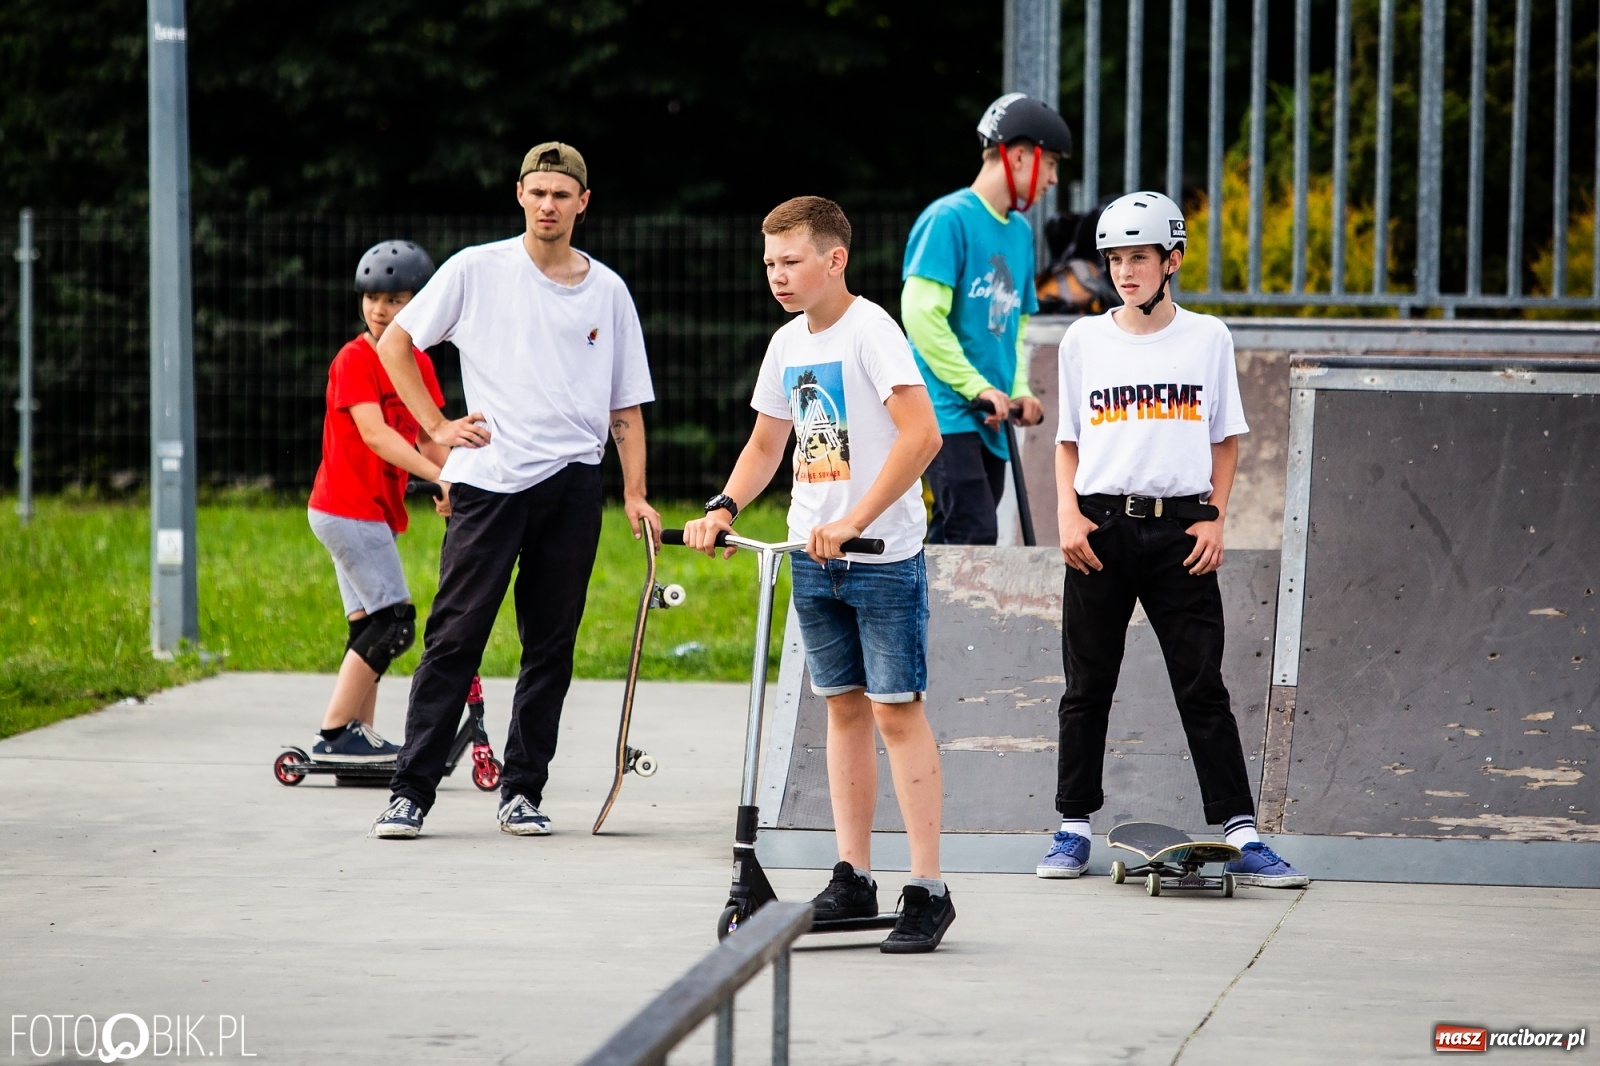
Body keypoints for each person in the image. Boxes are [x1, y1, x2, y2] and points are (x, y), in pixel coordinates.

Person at [684, 196, 953, 953]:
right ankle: (853, 875)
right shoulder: (787, 344)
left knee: (896, 711)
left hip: (879, 557)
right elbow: (770, 443)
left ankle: (928, 887)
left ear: (834, 260)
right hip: (812, 557)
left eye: (791, 260)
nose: (777, 275)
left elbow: (922, 435)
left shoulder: (872, 332)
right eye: (769, 262)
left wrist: (856, 519)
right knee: (842, 711)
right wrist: (724, 507)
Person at [369, 142, 659, 839]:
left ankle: (522, 790)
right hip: (490, 484)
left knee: (551, 644)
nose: (549, 205)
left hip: (572, 485)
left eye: (562, 194)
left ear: (583, 203)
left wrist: (635, 493)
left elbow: (626, 406)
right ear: (520, 195)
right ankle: (410, 791)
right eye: (538, 192)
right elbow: (396, 346)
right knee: (456, 636)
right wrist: (437, 424)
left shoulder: (608, 291)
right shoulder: (477, 269)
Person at [1037, 191, 1308, 888]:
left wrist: (1214, 515)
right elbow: (1067, 443)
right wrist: (1067, 516)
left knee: (1202, 685)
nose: (1125, 272)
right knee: (1087, 684)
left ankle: (1243, 833)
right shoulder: (1083, 341)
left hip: (1180, 529)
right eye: (1115, 259)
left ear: (1171, 261)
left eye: (1139, 258)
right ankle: (1072, 828)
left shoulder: (1208, 338)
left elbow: (1225, 440)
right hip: (1098, 526)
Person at [901, 92, 1072, 544]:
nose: (1053, 179)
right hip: (946, 413)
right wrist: (974, 385)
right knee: (971, 531)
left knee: (962, 537)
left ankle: (912, 610)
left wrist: (1017, 390)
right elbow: (920, 317)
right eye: (1050, 163)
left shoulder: (1018, 233)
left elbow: (1012, 330)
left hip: (990, 418)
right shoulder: (948, 219)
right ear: (1018, 156)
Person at [304, 240, 450, 765]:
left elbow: (430, 435)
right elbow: (378, 435)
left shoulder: (418, 363)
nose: (379, 310)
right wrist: (438, 478)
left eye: (394, 299)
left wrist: (454, 480)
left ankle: (356, 736)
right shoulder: (355, 360)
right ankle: (337, 729)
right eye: (372, 298)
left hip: (370, 510)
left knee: (370, 625)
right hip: (345, 507)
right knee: (395, 623)